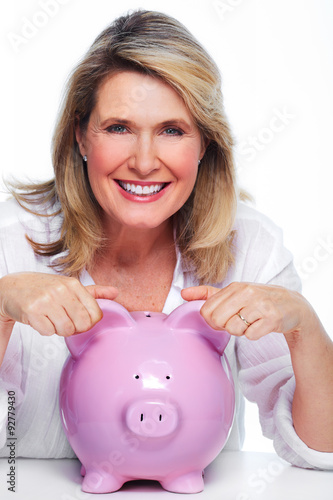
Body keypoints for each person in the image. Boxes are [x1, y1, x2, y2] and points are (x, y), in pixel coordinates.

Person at [0, 10, 332, 471]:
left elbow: (321, 450)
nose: (143, 161)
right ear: (80, 135)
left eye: (172, 131)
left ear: (205, 144)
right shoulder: (9, 242)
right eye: (119, 128)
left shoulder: (250, 245)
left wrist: (305, 329)